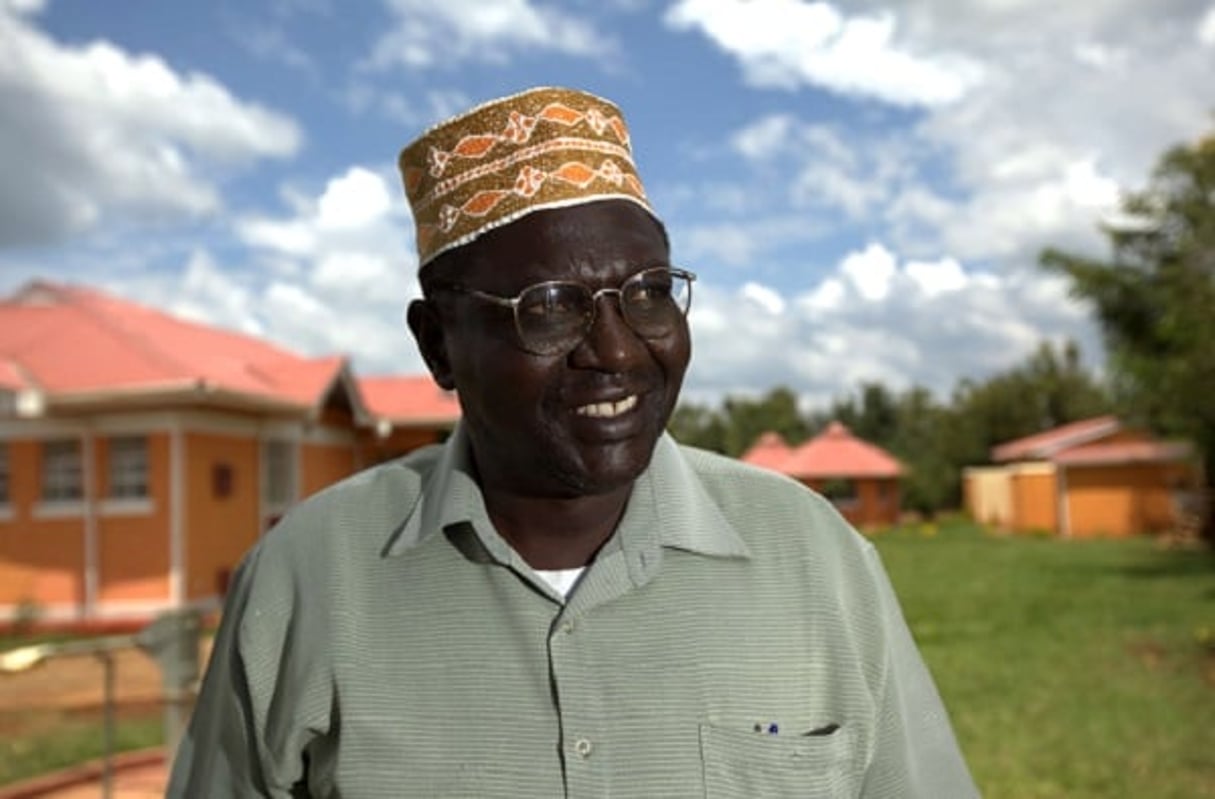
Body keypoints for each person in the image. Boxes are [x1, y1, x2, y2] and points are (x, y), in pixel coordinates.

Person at [167, 86, 978, 797]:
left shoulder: (813, 556)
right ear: (438, 344)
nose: (618, 350)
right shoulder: (306, 578)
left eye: (649, 293)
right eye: (551, 306)